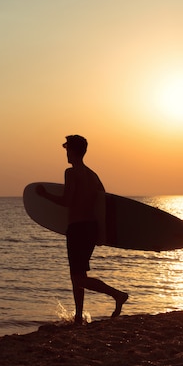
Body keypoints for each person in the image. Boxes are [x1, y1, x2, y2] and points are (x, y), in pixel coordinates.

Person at [36, 135, 128, 323]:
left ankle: (117, 295)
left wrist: (44, 195)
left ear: (73, 151)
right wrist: (102, 233)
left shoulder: (71, 173)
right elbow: (103, 201)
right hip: (91, 228)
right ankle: (78, 315)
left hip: (77, 228)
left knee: (78, 278)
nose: (66, 154)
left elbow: (67, 201)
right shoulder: (93, 175)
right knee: (77, 275)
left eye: (67, 150)